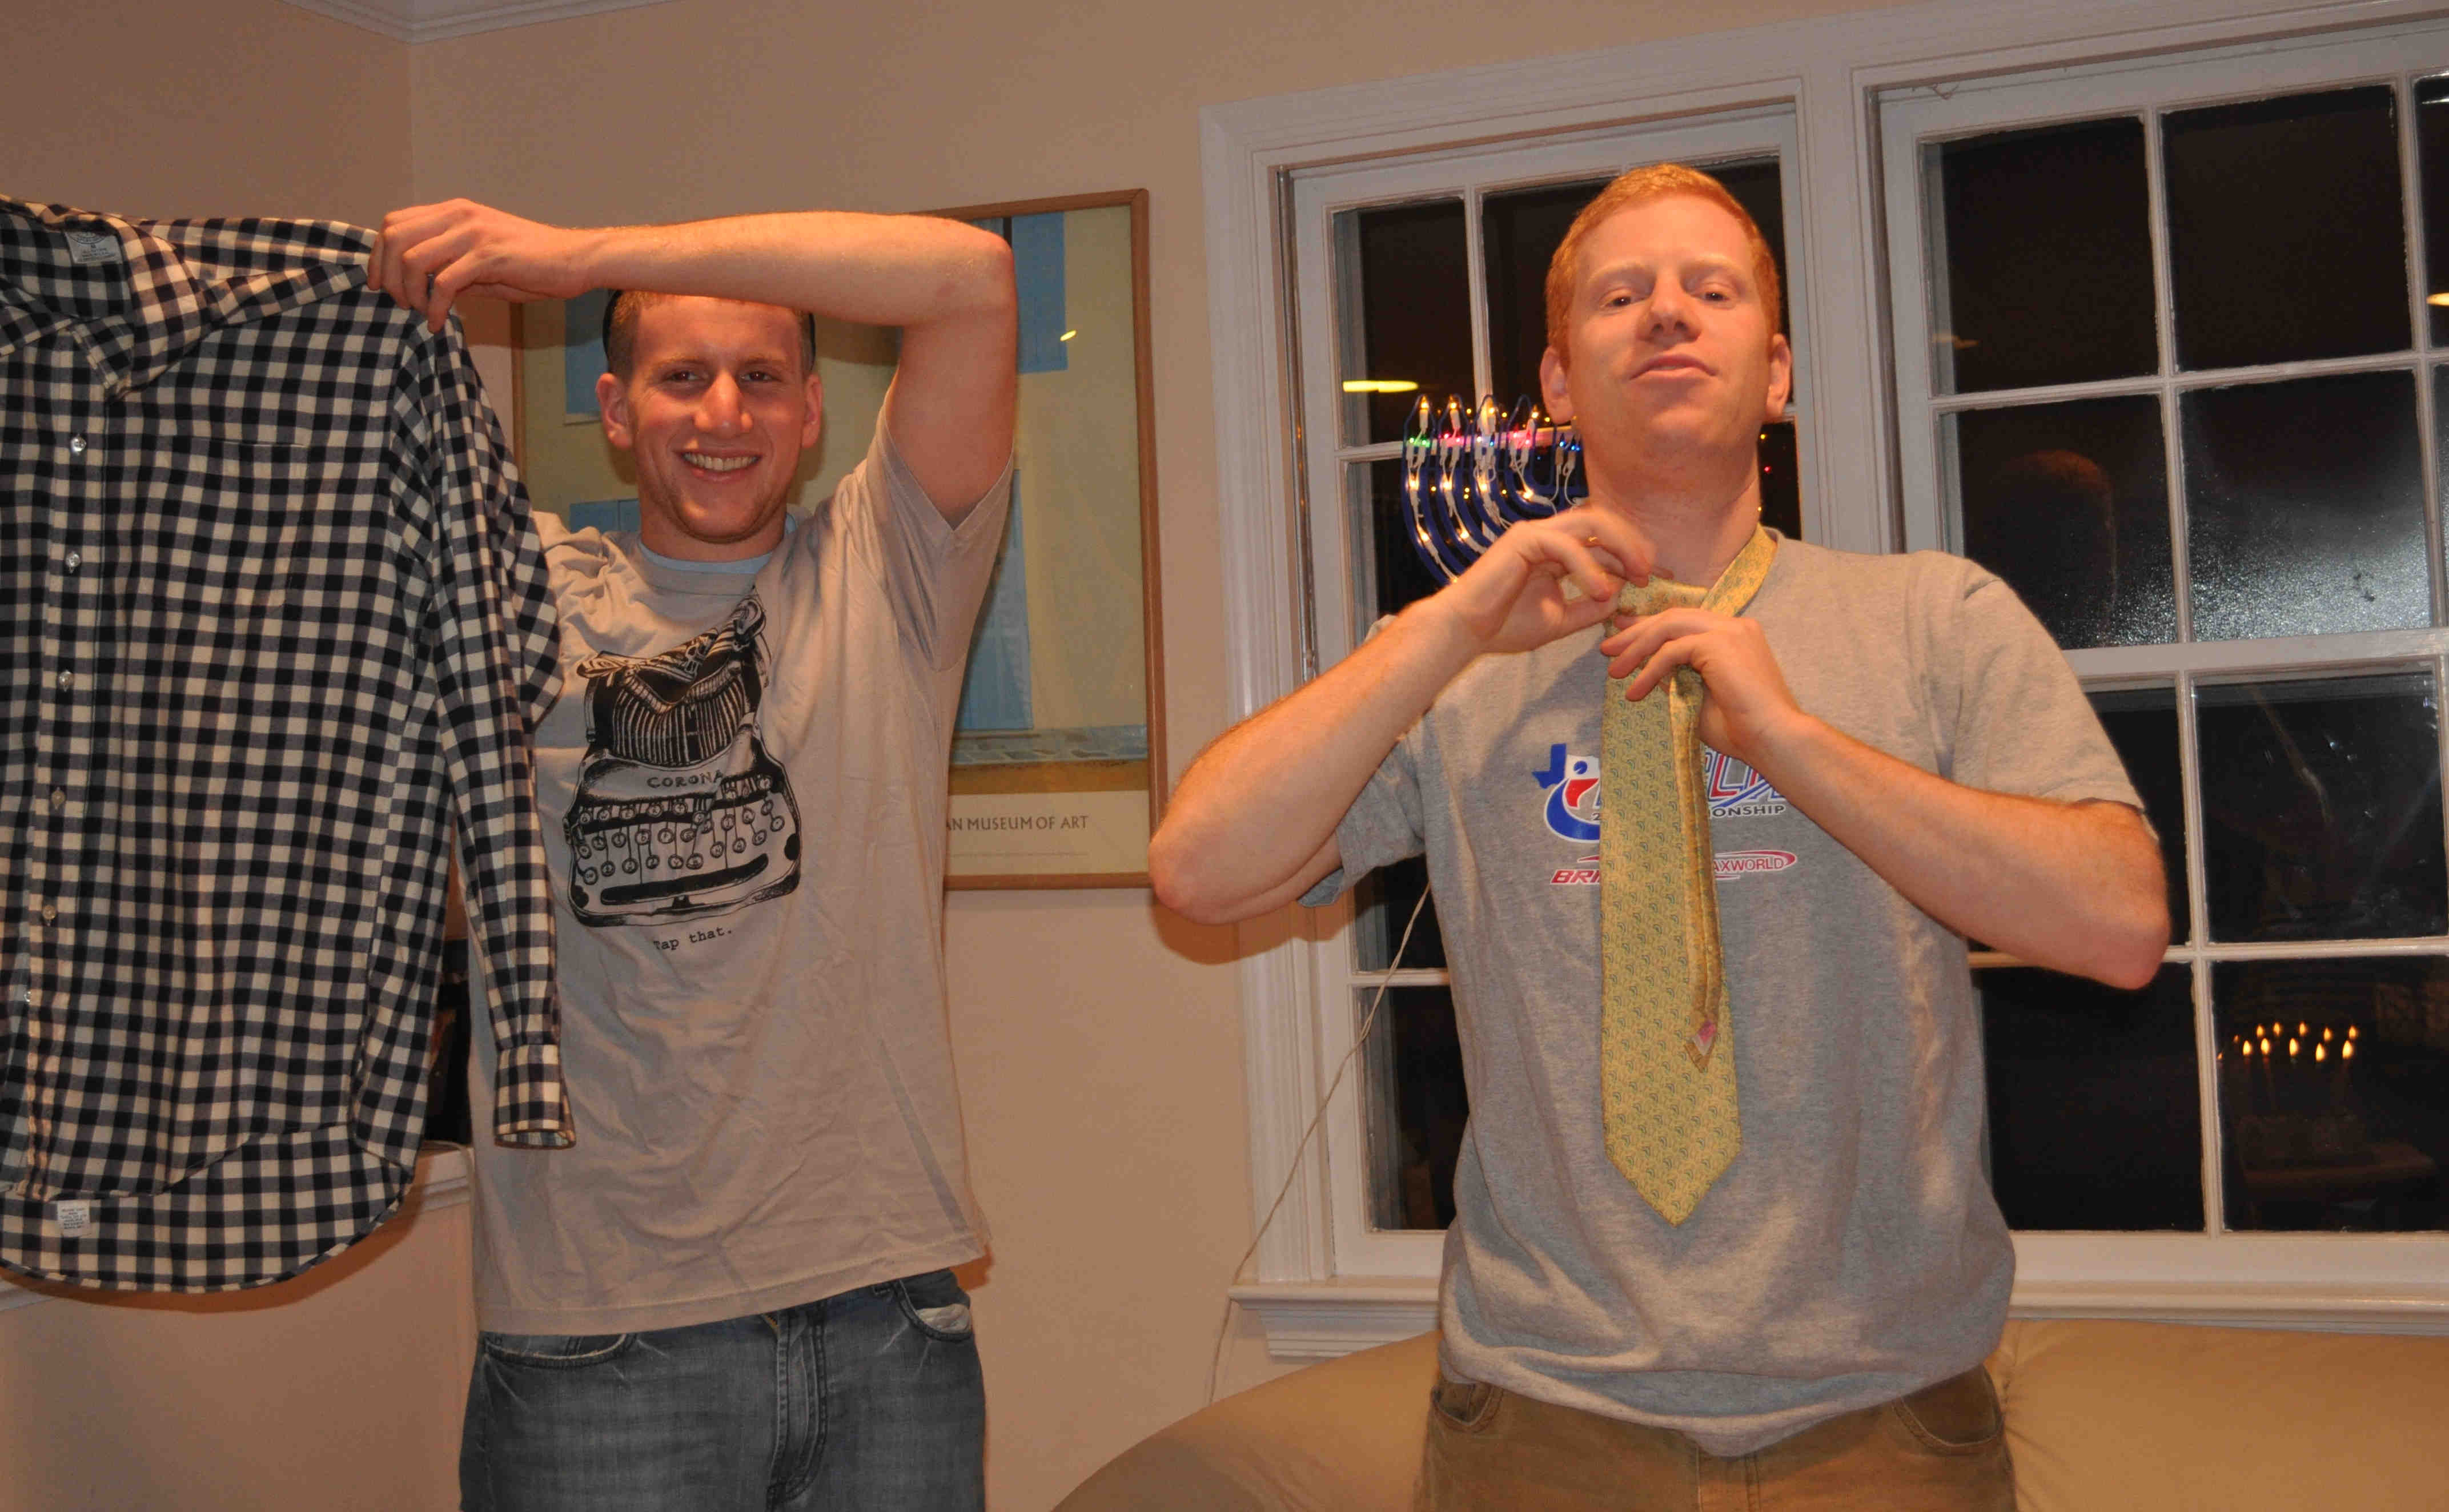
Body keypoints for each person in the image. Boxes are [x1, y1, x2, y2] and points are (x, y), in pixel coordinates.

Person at [1149, 164, 2168, 1509]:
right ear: (1558, 382)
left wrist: (1788, 742)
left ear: (1776, 370)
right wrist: (1444, 624)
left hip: (1881, 1421)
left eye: (1710, 289)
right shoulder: (1466, 664)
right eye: (1620, 296)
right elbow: (1198, 869)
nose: (1667, 314)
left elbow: (2117, 923)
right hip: (1539, 1423)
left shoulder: (1933, 620)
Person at [370, 199, 1018, 1512]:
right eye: (681, 376)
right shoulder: (519, 595)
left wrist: (584, 259)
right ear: (615, 409)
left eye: (761, 377)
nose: (724, 412)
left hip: (883, 1310)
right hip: (596, 1333)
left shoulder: (886, 571)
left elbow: (970, 277)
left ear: (811, 412)